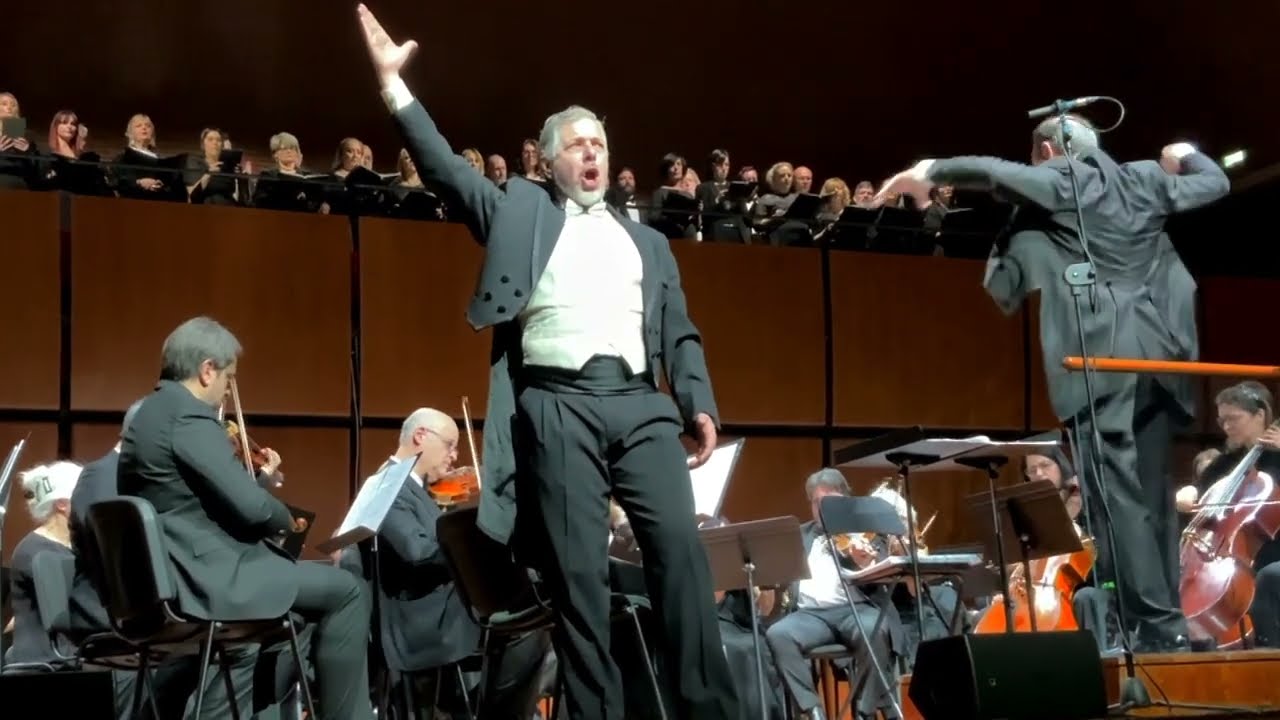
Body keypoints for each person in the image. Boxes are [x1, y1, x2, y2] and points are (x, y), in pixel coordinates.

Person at [353, 6, 737, 720]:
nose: (592, 153)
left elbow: (679, 331)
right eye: (577, 145)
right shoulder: (519, 213)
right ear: (549, 159)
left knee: (682, 557)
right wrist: (393, 88)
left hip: (639, 405)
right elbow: (442, 170)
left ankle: (706, 709)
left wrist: (698, 401)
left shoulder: (647, 243)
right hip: (555, 405)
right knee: (579, 576)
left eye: (600, 141)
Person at [876, 115, 1230, 652]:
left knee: (1118, 501)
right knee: (1153, 495)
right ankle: (1168, 626)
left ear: (1047, 150)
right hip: (1163, 359)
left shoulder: (1065, 178)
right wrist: (1182, 150)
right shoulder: (1144, 179)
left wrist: (922, 172)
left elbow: (992, 172)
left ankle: (1154, 631)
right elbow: (1215, 182)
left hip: (1105, 364)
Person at [118, 316, 373, 719]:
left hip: (170, 577)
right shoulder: (189, 417)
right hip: (207, 580)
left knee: (304, 612)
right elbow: (253, 508)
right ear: (206, 370)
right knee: (347, 590)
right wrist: (284, 516)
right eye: (228, 378)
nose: (226, 391)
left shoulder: (149, 415)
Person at [372, 407, 551, 718]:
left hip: (450, 605)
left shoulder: (416, 489)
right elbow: (418, 552)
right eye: (450, 445)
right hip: (426, 619)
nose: (455, 456)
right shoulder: (387, 484)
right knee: (528, 621)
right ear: (420, 437)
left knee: (538, 610)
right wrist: (473, 544)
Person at [764, 469, 902, 720]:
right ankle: (812, 711)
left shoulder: (866, 529)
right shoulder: (800, 534)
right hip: (810, 616)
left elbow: (888, 570)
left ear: (846, 500)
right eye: (817, 502)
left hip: (856, 610)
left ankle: (864, 709)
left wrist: (865, 563)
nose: (823, 508)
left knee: (875, 630)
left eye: (831, 501)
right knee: (778, 634)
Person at [1175, 381, 1280, 647]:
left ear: (1260, 415)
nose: (1226, 427)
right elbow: (1200, 492)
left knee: (1268, 576)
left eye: (1233, 419)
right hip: (1227, 553)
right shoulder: (1224, 464)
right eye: (1222, 421)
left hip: (1270, 552)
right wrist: (1187, 495)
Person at [6, 462, 80, 667]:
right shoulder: (34, 552)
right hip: (48, 662)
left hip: (73, 657)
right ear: (62, 504)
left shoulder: (77, 546)